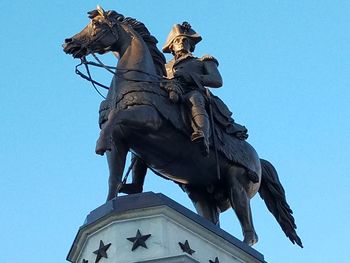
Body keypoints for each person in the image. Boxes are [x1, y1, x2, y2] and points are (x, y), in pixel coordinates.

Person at [162, 22, 223, 156]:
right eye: (177, 40)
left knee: (194, 98)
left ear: (191, 44)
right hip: (169, 93)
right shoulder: (164, 67)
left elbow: (217, 81)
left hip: (192, 91)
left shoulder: (203, 61)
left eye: (185, 40)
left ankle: (202, 135)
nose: (181, 42)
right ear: (171, 46)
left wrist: (191, 76)